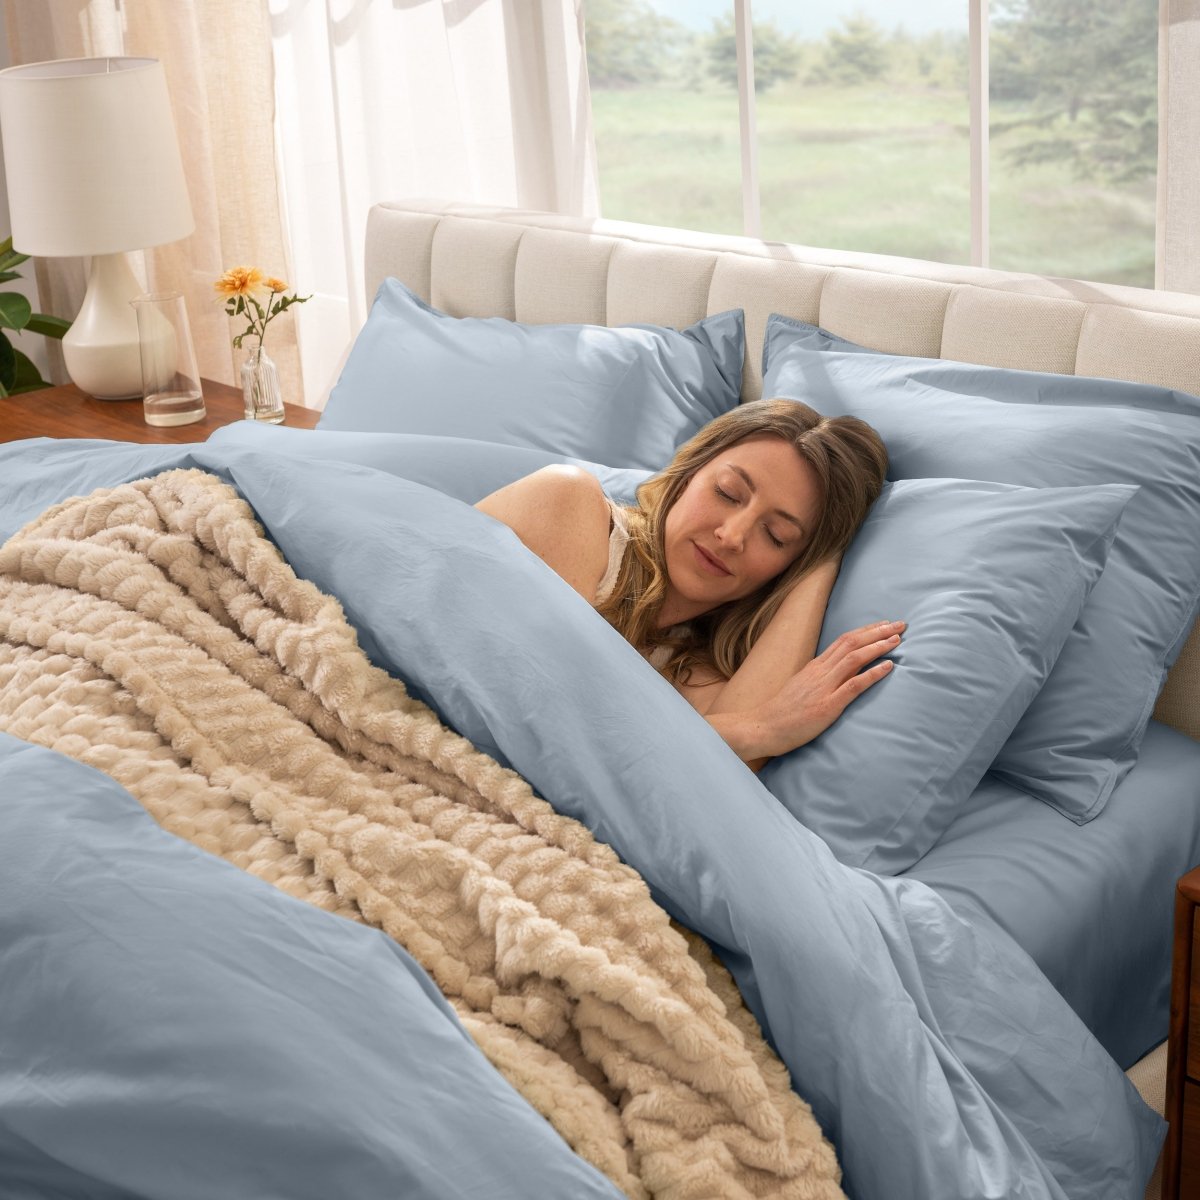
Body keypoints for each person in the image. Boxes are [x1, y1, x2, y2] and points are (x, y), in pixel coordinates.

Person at [476, 398, 902, 770]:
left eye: (776, 536)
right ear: (688, 474)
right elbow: (543, 722)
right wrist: (759, 729)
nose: (732, 536)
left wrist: (820, 563)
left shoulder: (695, 670)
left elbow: (719, 785)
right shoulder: (567, 501)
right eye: (728, 493)